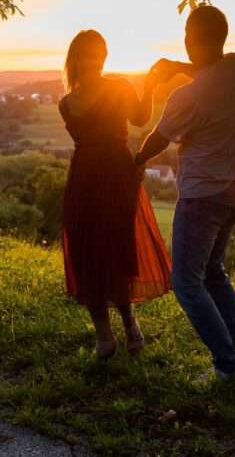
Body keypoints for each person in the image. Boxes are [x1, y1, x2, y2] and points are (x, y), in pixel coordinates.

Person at [134, 6, 235, 381]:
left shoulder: (185, 98)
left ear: (190, 39)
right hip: (234, 190)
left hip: (202, 196)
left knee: (186, 283)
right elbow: (213, 69)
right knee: (213, 274)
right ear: (223, 36)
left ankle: (227, 366)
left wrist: (137, 160)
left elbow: (157, 138)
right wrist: (181, 66)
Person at [59, 30, 172, 359]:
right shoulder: (105, 90)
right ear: (83, 58)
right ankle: (119, 332)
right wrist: (150, 85)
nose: (99, 59)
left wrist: (149, 84)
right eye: (96, 53)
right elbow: (139, 118)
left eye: (101, 53)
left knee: (98, 250)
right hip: (107, 174)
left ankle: (115, 332)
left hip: (92, 175)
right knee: (104, 249)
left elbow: (131, 120)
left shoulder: (68, 103)